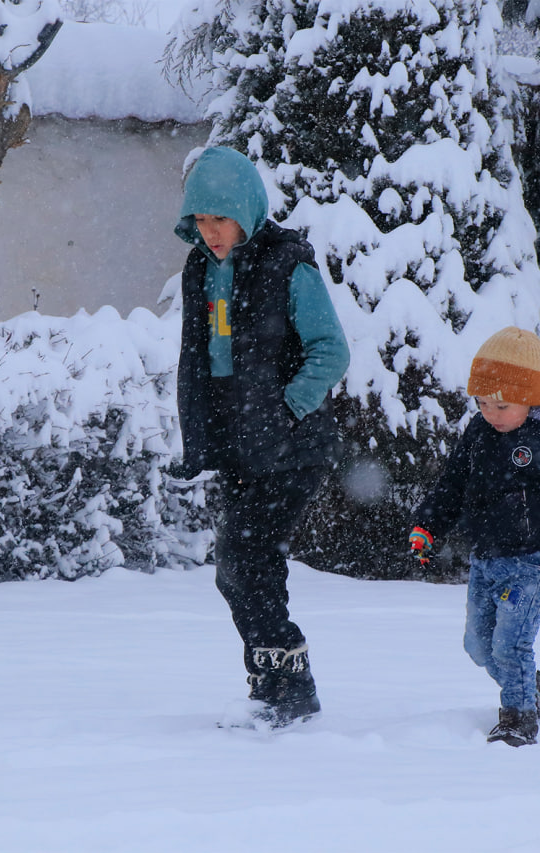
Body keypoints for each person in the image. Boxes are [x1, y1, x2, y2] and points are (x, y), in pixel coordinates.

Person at [172, 146, 350, 729]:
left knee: (250, 560)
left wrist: (286, 409)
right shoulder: (200, 269)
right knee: (234, 569)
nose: (211, 232)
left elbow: (332, 351)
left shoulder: (287, 265)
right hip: (239, 446)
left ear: (246, 212)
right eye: (200, 221)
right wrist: (201, 437)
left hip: (292, 449)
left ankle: (293, 691)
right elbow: (199, 360)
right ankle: (272, 683)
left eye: (220, 219)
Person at [408, 326, 540, 747]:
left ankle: (519, 719)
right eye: (481, 403)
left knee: (509, 645)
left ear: (531, 394)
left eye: (501, 404)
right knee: (478, 645)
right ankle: (537, 692)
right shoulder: (481, 433)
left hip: (532, 564)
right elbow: (452, 484)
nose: (491, 413)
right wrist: (428, 525)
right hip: (485, 559)